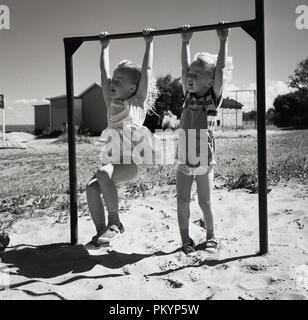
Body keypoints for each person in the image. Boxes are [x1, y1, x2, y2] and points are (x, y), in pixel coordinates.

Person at [85, 28, 159, 248]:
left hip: (132, 162)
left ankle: (115, 222)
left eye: (118, 80)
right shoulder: (111, 103)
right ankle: (101, 233)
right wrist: (104, 47)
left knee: (101, 173)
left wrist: (149, 43)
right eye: (113, 80)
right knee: (91, 188)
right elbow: (103, 74)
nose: (112, 83)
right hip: (113, 161)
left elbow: (146, 69)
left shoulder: (137, 103)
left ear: (133, 87)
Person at [176, 22, 230, 255]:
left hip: (204, 158)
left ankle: (211, 236)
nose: (190, 77)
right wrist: (185, 41)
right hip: (183, 157)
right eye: (189, 74)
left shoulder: (212, 96)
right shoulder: (187, 95)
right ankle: (185, 238)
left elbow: (220, 71)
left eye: (196, 75)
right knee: (182, 201)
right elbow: (183, 66)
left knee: (204, 202)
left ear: (209, 81)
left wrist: (223, 40)